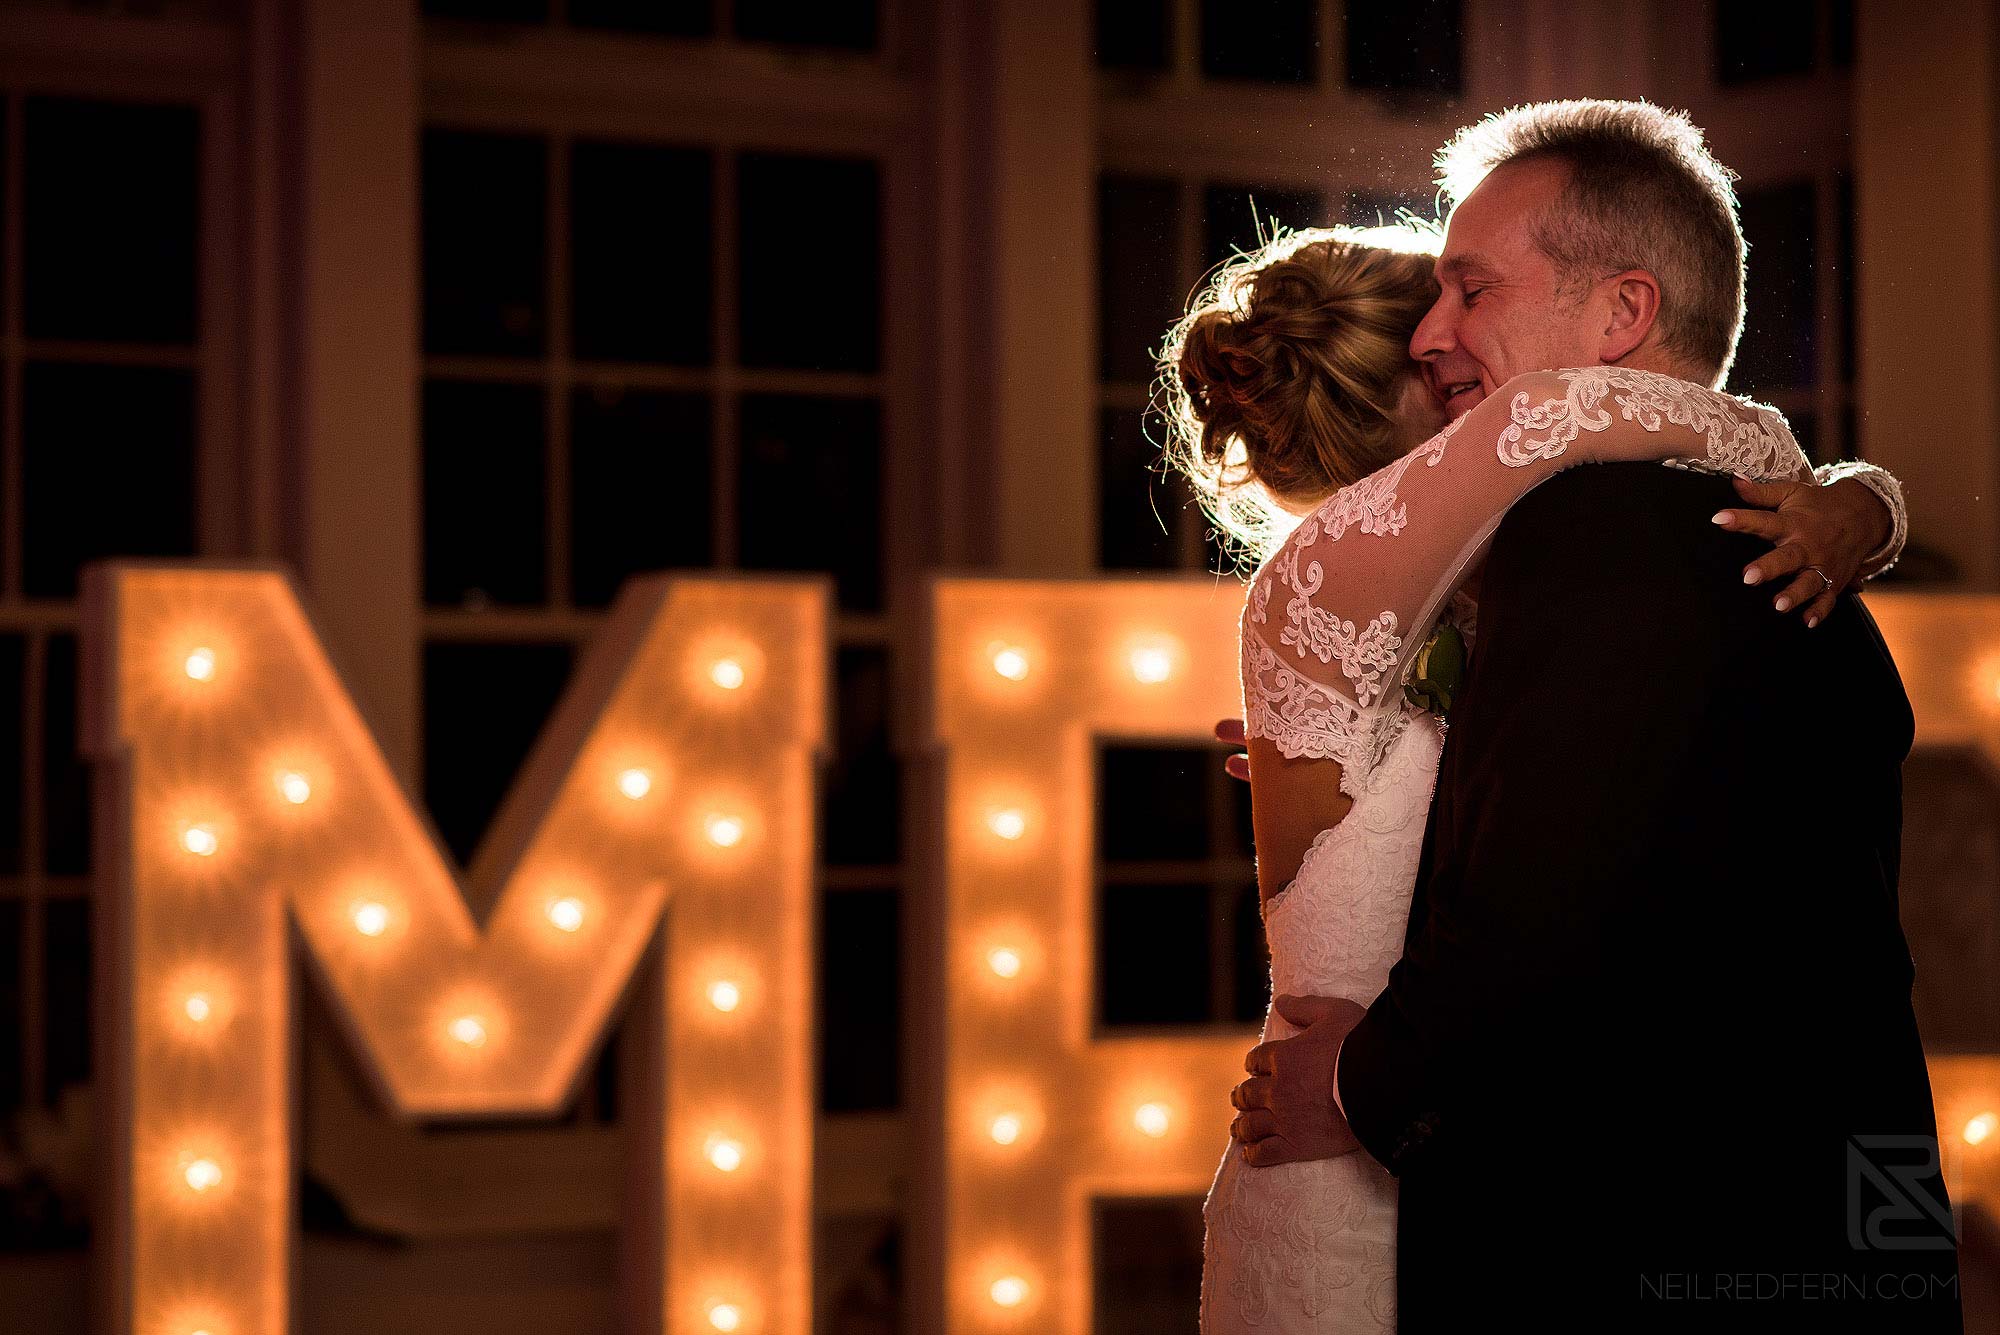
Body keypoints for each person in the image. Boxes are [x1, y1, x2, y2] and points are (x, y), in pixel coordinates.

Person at [1160, 101, 1954, 1332]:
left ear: (1621, 313)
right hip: (1836, 1219)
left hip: (1628, 1229)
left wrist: (1366, 1089)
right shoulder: (1775, 553)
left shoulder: (1599, 541)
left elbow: (1541, 909)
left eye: (1470, 292)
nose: (1439, 333)